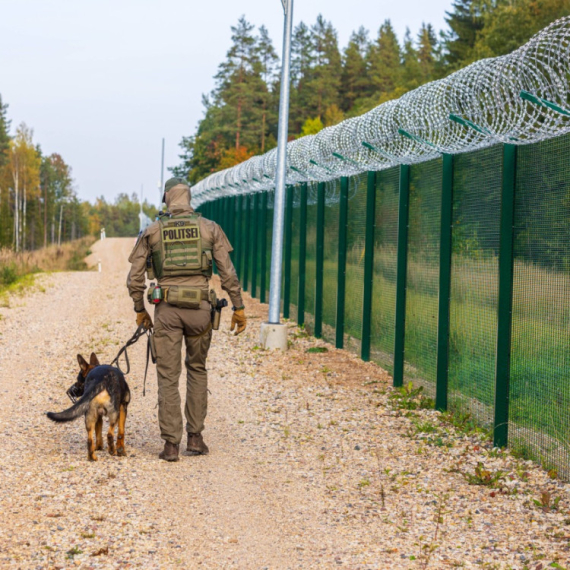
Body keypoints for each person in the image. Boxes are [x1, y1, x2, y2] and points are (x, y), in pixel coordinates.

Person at [127, 177, 246, 462]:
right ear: (190, 198)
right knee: (197, 369)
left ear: (167, 198)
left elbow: (135, 278)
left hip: (167, 310)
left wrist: (140, 310)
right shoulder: (210, 229)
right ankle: (195, 439)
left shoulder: (152, 231)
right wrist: (238, 307)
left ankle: (170, 445)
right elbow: (227, 273)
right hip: (201, 309)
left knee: (168, 376)